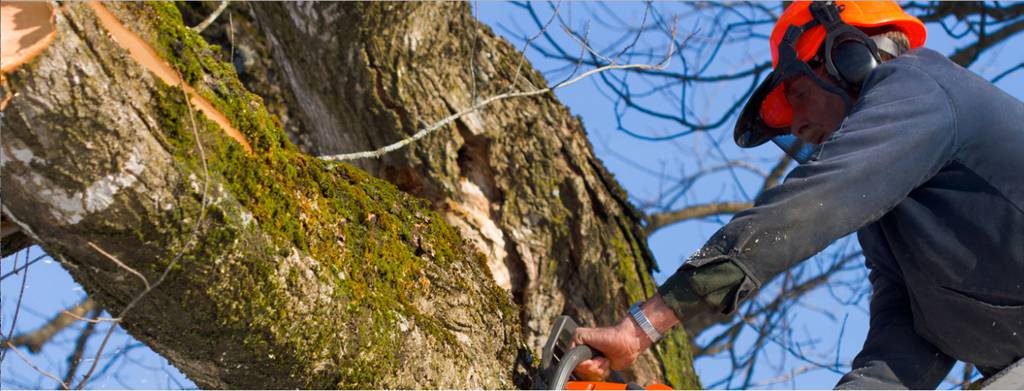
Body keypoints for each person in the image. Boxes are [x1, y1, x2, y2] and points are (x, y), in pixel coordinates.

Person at [572, 1, 1024, 389]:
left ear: (849, 57)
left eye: (798, 93)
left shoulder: (921, 86)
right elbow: (908, 339)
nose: (798, 125)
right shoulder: (893, 213)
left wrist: (640, 327)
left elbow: (801, 211)